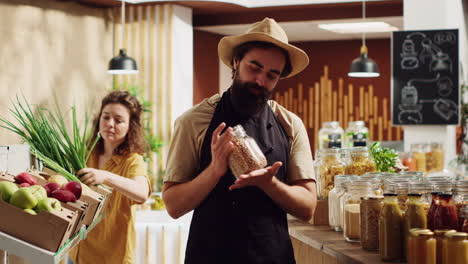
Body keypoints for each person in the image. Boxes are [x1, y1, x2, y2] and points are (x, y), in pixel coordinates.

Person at [163, 18, 317, 264]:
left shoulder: (290, 125)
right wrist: (214, 171)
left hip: (271, 255)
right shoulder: (193, 122)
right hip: (209, 254)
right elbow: (173, 206)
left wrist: (270, 184)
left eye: (271, 75)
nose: (260, 81)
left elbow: (308, 207)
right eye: (254, 68)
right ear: (236, 62)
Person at [69, 90, 151, 264]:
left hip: (112, 257)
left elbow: (142, 193)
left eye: (119, 120)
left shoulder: (133, 161)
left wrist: (105, 176)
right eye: (105, 117)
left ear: (130, 126)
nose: (110, 124)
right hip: (76, 252)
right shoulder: (84, 154)